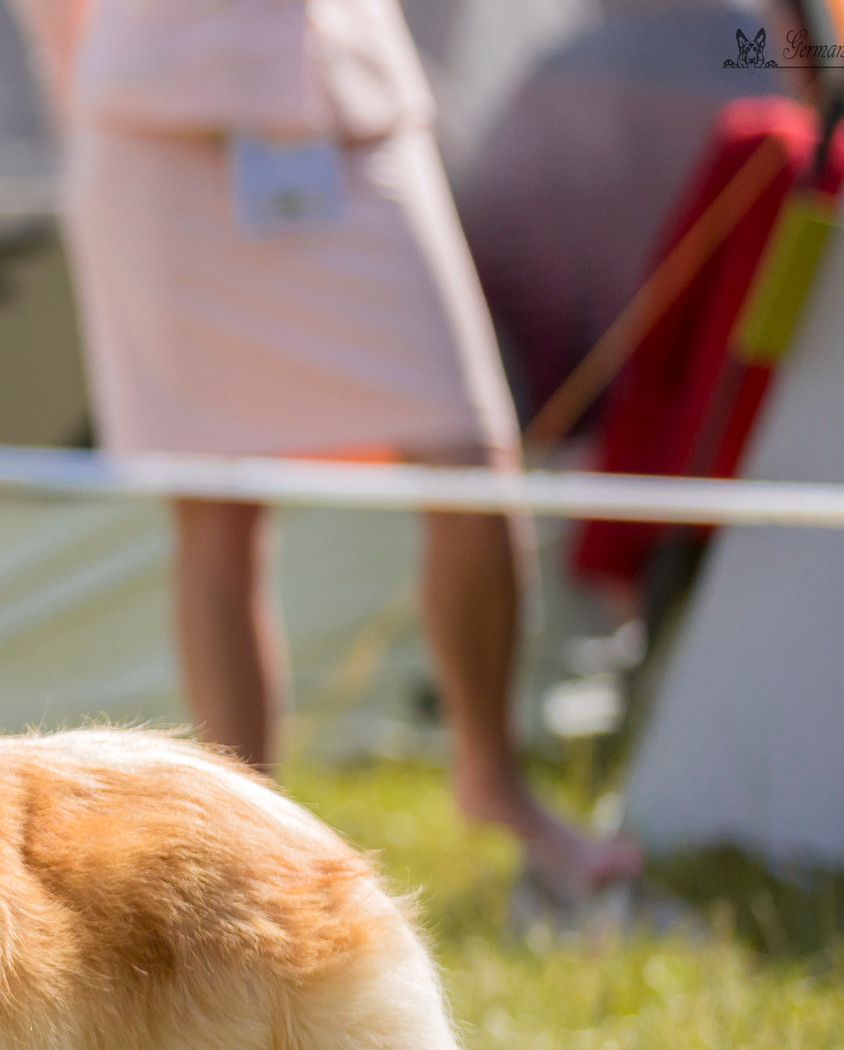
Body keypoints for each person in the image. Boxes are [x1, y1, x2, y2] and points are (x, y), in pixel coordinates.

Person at [47, 0, 645, 902]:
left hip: (354, 107)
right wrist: (91, 93)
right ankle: (251, 839)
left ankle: (494, 779)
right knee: (217, 513)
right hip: (150, 131)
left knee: (472, 456)